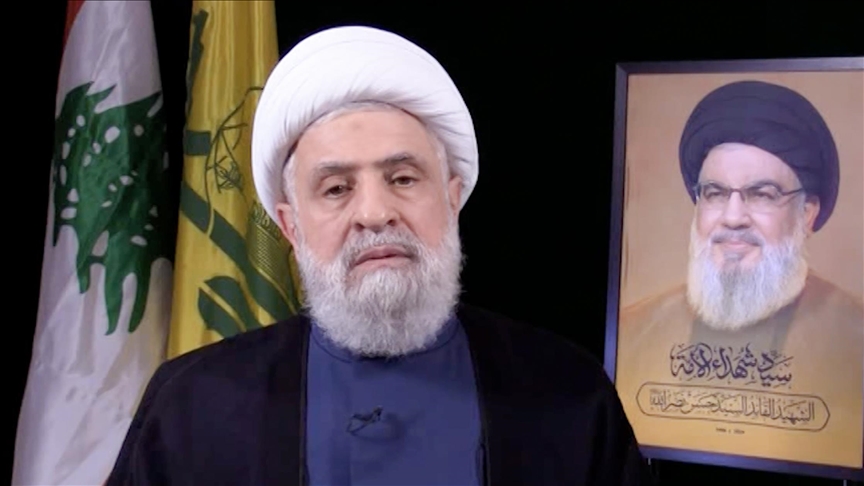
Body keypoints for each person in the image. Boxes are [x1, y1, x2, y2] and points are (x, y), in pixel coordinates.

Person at [106, 25, 651, 485]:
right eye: (336, 188)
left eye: (403, 178)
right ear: (291, 226)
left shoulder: (567, 391)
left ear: (452, 199)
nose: (374, 212)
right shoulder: (192, 404)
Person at [616, 80, 864, 469]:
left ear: (807, 212)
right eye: (715, 193)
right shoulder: (633, 332)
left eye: (762, 194)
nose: (732, 218)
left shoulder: (855, 337)